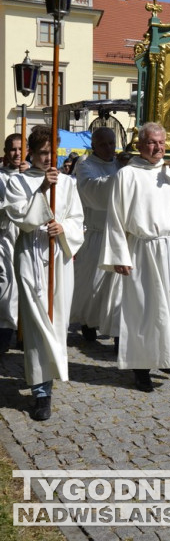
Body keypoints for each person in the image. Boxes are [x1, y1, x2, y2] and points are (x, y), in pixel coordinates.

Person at [99, 122, 170, 392]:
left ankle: (166, 355)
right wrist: (119, 255)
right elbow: (115, 217)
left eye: (161, 143)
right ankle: (141, 367)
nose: (158, 148)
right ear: (140, 145)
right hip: (142, 249)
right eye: (152, 143)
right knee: (143, 309)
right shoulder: (127, 174)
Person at [5, 127, 84, 420]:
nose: (48, 158)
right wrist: (41, 191)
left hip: (58, 256)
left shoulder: (68, 183)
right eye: (41, 153)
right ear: (31, 152)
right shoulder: (18, 181)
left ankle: (50, 375)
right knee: (38, 324)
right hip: (30, 255)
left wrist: (63, 228)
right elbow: (21, 218)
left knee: (57, 319)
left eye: (52, 152)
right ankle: (41, 392)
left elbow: (77, 218)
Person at [71, 128, 121, 343]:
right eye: (103, 144)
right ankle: (87, 321)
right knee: (92, 285)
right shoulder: (85, 165)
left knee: (117, 288)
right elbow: (92, 191)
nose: (109, 148)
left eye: (112, 143)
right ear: (94, 146)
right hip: (97, 233)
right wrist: (123, 177)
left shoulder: (121, 163)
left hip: (119, 235)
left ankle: (118, 332)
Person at [0, 134, 30, 353]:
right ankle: (3, 339)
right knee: (7, 287)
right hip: (5, 238)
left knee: (27, 286)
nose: (17, 153)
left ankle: (24, 335)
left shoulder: (31, 175)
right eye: (12, 149)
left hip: (27, 238)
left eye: (21, 149)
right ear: (5, 151)